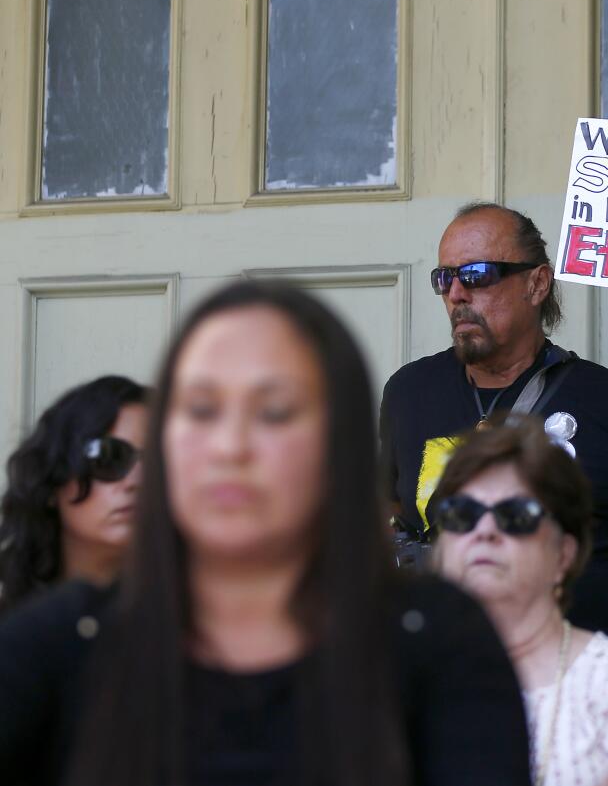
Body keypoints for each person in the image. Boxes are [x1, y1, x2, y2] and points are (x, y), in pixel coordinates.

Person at [0, 280, 531, 786]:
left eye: (274, 411)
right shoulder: (65, 639)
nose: (230, 446)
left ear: (337, 444)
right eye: (200, 409)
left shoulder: (439, 638)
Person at [381, 202, 608, 648]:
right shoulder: (410, 392)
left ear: (537, 283)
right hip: (458, 690)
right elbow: (389, 526)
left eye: (477, 275)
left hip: (595, 693)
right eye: (445, 278)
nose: (457, 293)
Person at [431, 418, 608, 786]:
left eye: (515, 516)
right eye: (461, 515)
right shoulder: (391, 672)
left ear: (564, 553)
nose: (484, 531)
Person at [0, 375, 147, 615]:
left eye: (158, 463)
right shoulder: (10, 633)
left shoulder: (199, 632)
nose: (137, 481)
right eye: (109, 457)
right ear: (52, 479)